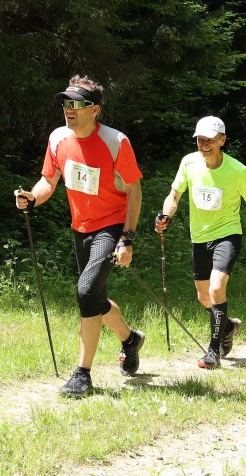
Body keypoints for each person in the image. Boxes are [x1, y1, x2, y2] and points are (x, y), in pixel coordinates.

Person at [15, 74, 144, 398]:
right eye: (66, 103)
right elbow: (48, 180)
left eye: (77, 104)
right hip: (80, 228)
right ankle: (130, 339)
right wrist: (32, 197)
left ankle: (82, 374)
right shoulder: (58, 139)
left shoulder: (116, 142)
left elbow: (134, 190)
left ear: (95, 109)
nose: (69, 109)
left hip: (111, 226)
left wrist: (127, 237)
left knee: (86, 291)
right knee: (96, 300)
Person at [155, 116, 245, 369]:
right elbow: (174, 195)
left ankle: (213, 351)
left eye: (210, 140)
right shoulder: (189, 163)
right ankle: (227, 326)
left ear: (222, 140)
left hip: (227, 234)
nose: (204, 144)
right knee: (203, 296)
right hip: (200, 237)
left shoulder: (238, 171)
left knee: (217, 288)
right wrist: (165, 216)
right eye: (200, 139)